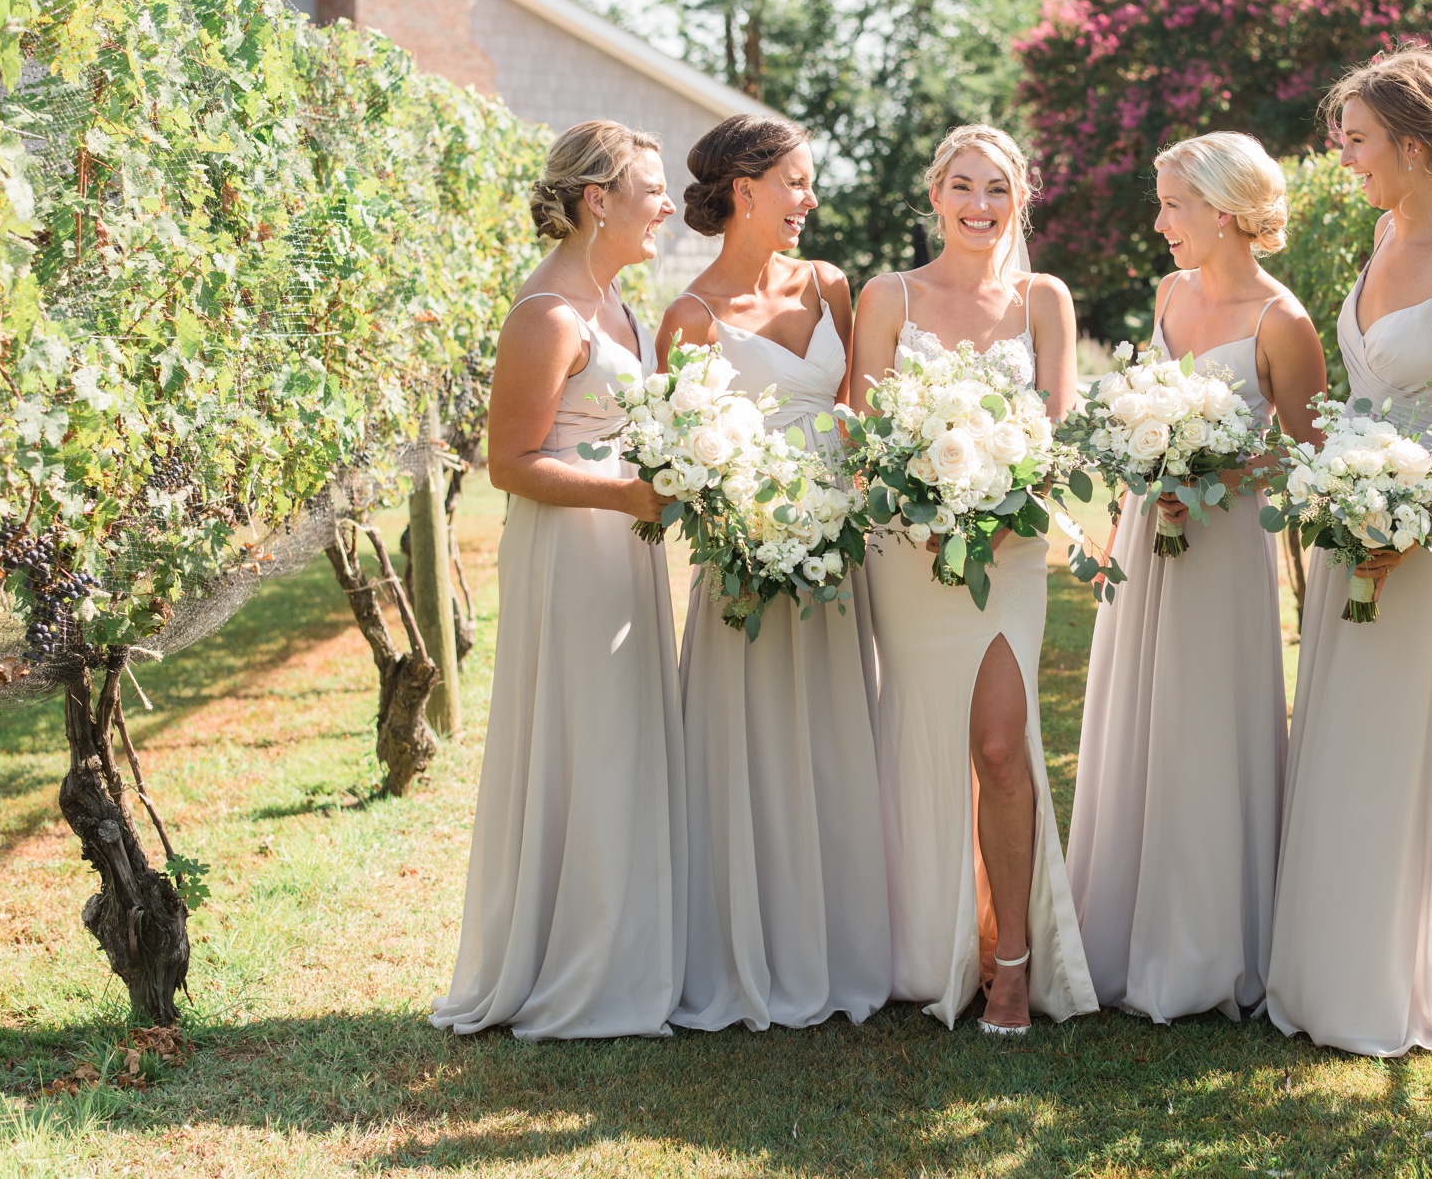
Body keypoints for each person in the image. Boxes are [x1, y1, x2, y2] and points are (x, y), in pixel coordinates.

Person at [1267, 48, 1432, 1053]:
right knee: (1336, 738)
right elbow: (1356, 400)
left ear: (1414, 143)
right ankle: (1320, 965)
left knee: (1395, 745)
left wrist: (1411, 527)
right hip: (1350, 528)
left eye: (1356, 141)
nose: (1345, 159)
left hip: (1421, 545)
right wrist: (1342, 506)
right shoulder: (1381, 237)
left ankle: (1390, 983)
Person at [431, 120, 686, 1040]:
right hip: (575, 548)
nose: (665, 205)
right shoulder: (548, 315)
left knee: (624, 737)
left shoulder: (618, 305)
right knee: (588, 738)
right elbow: (510, 460)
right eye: (651, 188)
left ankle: (625, 944)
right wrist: (631, 492)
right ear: (598, 201)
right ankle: (574, 963)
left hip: (626, 541)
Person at [1068, 133, 1327, 1022]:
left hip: (1223, 549)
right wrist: (1141, 487)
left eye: (1172, 204)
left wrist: (1215, 478)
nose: (1160, 221)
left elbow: (1309, 459)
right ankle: (1127, 930)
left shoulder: (1282, 321)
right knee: (1138, 715)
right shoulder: (1169, 293)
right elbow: (1149, 399)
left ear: (1222, 209)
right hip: (1151, 532)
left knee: (1206, 726)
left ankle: (1208, 946)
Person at [849, 124, 1098, 1034]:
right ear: (935, 193)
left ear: (1020, 198)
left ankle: (1011, 963)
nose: (979, 205)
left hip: (1010, 550)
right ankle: (927, 945)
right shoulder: (889, 296)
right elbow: (864, 430)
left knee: (1000, 744)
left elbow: (1061, 430)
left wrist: (1007, 492)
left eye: (997, 189)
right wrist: (914, 503)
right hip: (907, 554)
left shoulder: (1044, 299)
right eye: (963, 186)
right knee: (924, 742)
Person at [659, 115, 890, 1032]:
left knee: (837, 736)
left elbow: (857, 417)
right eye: (796, 181)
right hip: (744, 560)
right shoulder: (689, 317)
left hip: (834, 550)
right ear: (745, 192)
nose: (810, 199)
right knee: (747, 741)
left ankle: (843, 947)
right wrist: (745, 530)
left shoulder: (832, 287)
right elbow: (678, 460)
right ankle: (746, 950)